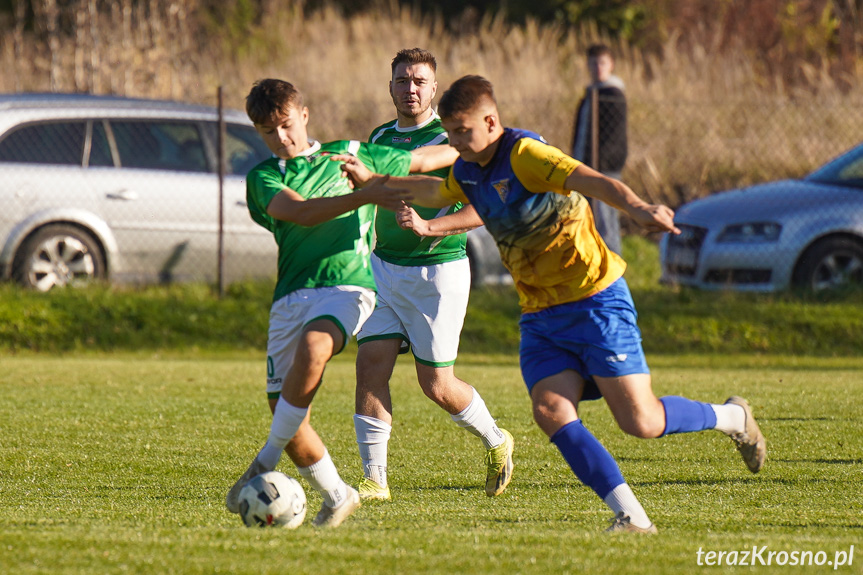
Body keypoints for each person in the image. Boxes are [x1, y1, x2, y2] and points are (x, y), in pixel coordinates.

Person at [336, 75, 767, 533]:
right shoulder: (466, 169)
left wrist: (639, 209)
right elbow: (431, 191)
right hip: (540, 313)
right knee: (550, 412)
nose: (456, 141)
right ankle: (632, 518)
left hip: (594, 298)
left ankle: (733, 417)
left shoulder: (526, 155)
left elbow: (593, 180)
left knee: (641, 421)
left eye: (463, 131)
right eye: (452, 132)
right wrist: (375, 182)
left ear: (491, 121)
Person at [225, 78, 454, 528]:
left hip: (348, 287)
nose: (282, 138)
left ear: (304, 115)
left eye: (287, 125)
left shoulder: (349, 151)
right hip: (291, 295)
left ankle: (263, 461)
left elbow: (425, 159)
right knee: (290, 416)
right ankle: (338, 493)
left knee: (314, 349)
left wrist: (476, 143)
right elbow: (303, 212)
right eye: (269, 131)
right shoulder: (264, 177)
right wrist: (366, 194)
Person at [354, 48, 514, 502]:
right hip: (384, 270)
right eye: (402, 79)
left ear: (434, 89)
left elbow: (480, 205)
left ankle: (496, 439)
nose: (410, 88)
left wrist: (428, 226)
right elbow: (375, 191)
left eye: (419, 81)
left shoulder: (452, 138)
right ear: (390, 86)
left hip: (437, 274)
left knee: (436, 386)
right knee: (370, 366)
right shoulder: (381, 134)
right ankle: (375, 481)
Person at [570, 43, 627, 255]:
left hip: (603, 168)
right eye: (593, 63)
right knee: (587, 219)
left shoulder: (613, 96)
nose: (597, 68)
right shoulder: (589, 95)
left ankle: (612, 268)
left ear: (611, 65)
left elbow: (614, 137)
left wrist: (598, 165)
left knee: (605, 221)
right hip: (585, 167)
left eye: (602, 63)